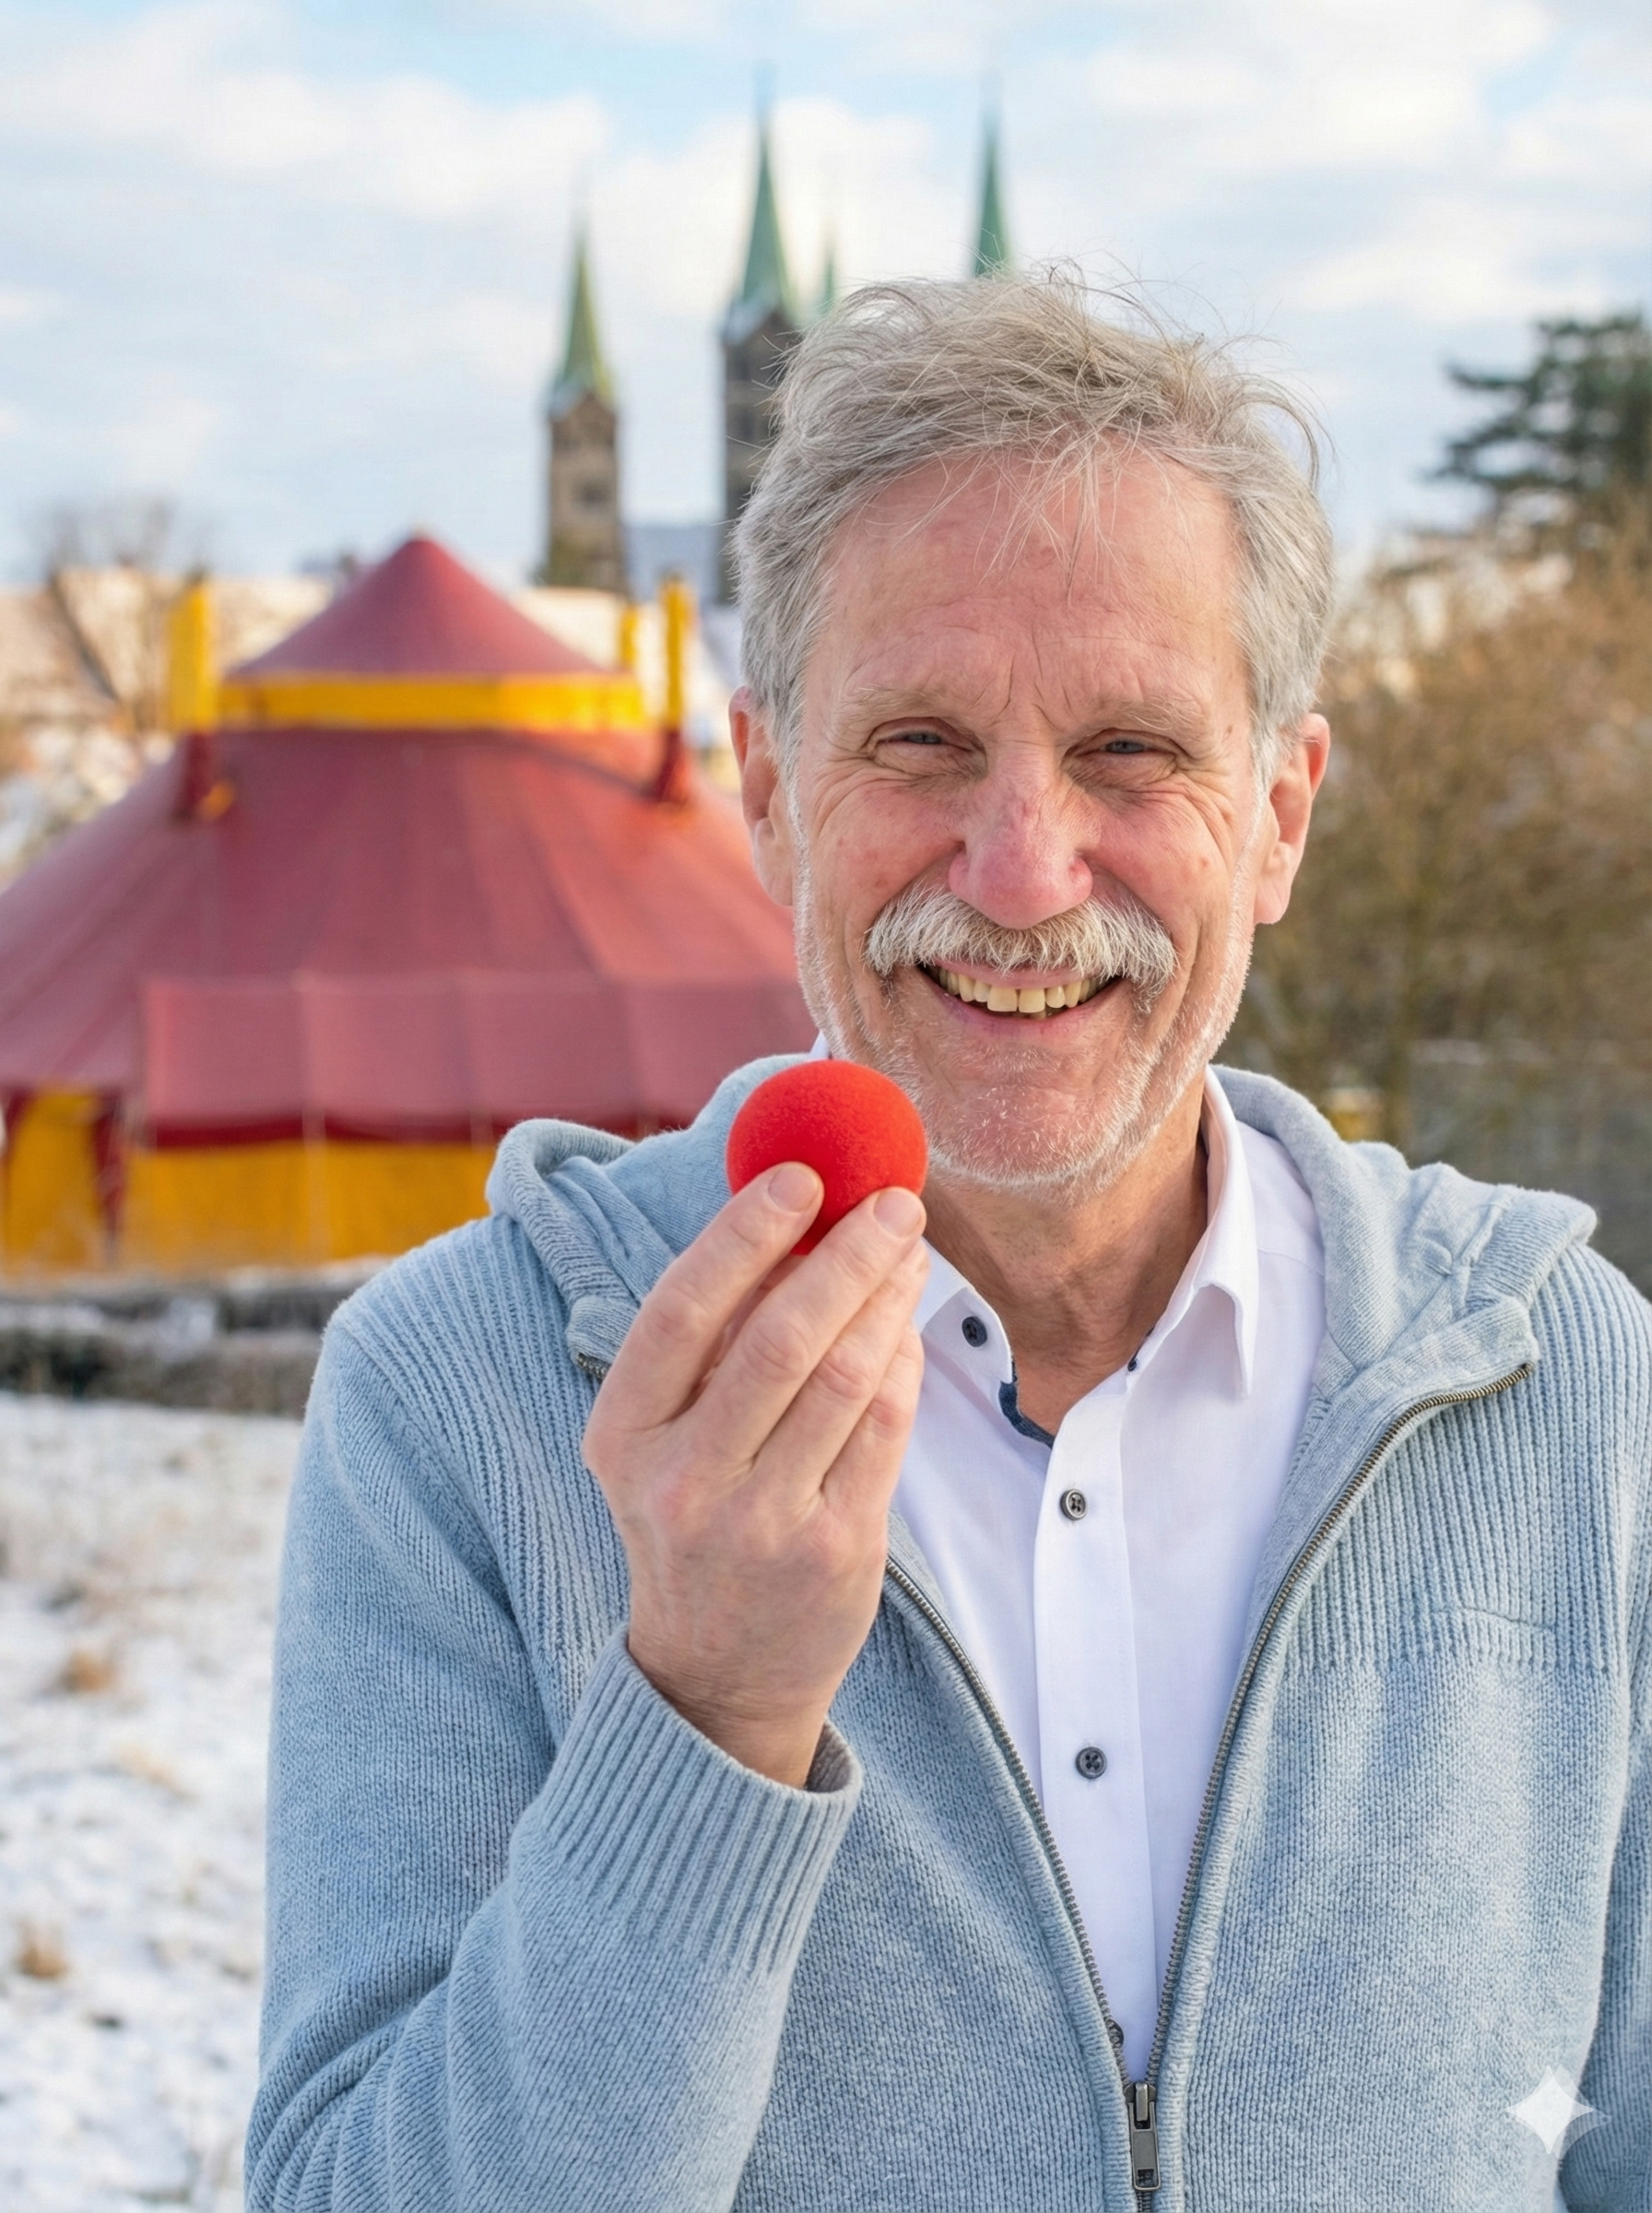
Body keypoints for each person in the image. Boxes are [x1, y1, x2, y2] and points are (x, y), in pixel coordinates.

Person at [247, 278, 1649, 2212]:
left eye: (1130, 754)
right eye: (915, 742)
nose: (1016, 872)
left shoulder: (1571, 1387)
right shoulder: (460, 1395)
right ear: (763, 789)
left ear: (1276, 819)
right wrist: (705, 1720)